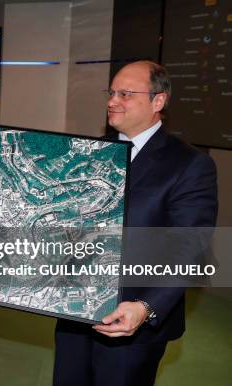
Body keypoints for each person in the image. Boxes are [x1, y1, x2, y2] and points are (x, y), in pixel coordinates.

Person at [53, 61, 218, 386]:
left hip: (134, 325)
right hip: (74, 314)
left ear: (158, 101)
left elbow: (189, 247)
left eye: (126, 94)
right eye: (111, 92)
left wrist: (146, 307)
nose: (113, 101)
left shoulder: (190, 165)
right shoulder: (90, 153)